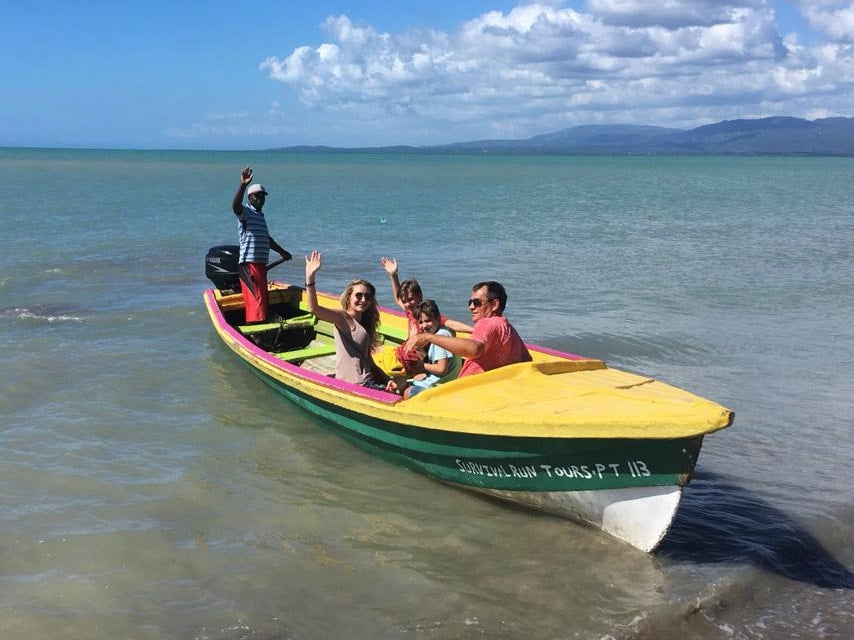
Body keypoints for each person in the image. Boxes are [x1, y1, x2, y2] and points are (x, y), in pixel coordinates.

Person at [405, 281, 531, 378]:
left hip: (468, 394)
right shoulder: (509, 329)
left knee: (406, 392)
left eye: (477, 302)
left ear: (494, 305)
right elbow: (527, 361)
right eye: (470, 302)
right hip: (492, 389)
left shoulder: (486, 323)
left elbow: (475, 349)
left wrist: (427, 337)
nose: (471, 307)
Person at [304, 250, 390, 391]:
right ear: (349, 297)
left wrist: (387, 380)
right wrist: (310, 278)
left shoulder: (365, 320)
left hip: (368, 381)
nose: (363, 300)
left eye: (367, 297)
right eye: (359, 295)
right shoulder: (343, 317)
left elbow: (368, 360)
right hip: (357, 385)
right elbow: (314, 309)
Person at [379, 256, 472, 374]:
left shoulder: (427, 316)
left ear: (419, 296)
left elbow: (451, 324)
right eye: (405, 301)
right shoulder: (411, 312)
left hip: (413, 364)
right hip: (401, 354)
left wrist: (473, 330)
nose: (407, 304)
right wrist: (393, 275)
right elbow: (398, 299)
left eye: (411, 299)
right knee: (377, 353)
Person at [231, 166, 292, 323]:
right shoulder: (245, 212)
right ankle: (256, 333)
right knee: (256, 300)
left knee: (262, 300)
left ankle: (261, 328)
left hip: (260, 265)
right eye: (256, 196)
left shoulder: (260, 216)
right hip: (249, 265)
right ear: (250, 198)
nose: (260, 199)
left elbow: (267, 239)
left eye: (262, 196)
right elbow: (235, 206)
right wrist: (243, 185)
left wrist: (283, 252)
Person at [388, 300, 461, 398]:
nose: (424, 326)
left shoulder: (440, 338)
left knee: (405, 391)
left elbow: (441, 368)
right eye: (421, 322)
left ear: (438, 318)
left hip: (437, 386)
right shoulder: (446, 333)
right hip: (443, 381)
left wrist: (422, 366)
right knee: (399, 380)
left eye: (427, 321)